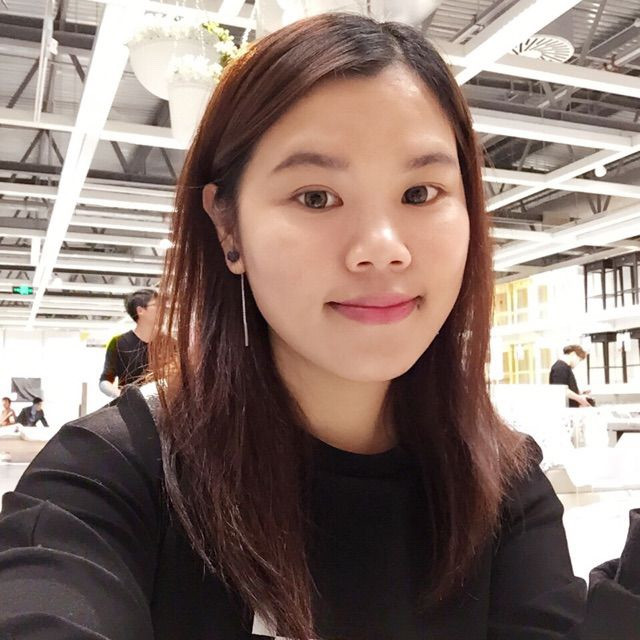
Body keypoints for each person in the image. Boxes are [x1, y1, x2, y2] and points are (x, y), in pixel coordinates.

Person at [0, 13, 638, 640]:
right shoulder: (111, 476)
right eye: (315, 197)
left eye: (420, 193)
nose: (382, 249)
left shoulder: (501, 484)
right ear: (228, 229)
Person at [99, 288, 158, 398]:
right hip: (131, 406)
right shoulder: (118, 343)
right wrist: (120, 396)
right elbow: (105, 380)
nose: (163, 310)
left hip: (163, 406)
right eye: (156, 305)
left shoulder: (171, 344)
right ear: (140, 310)